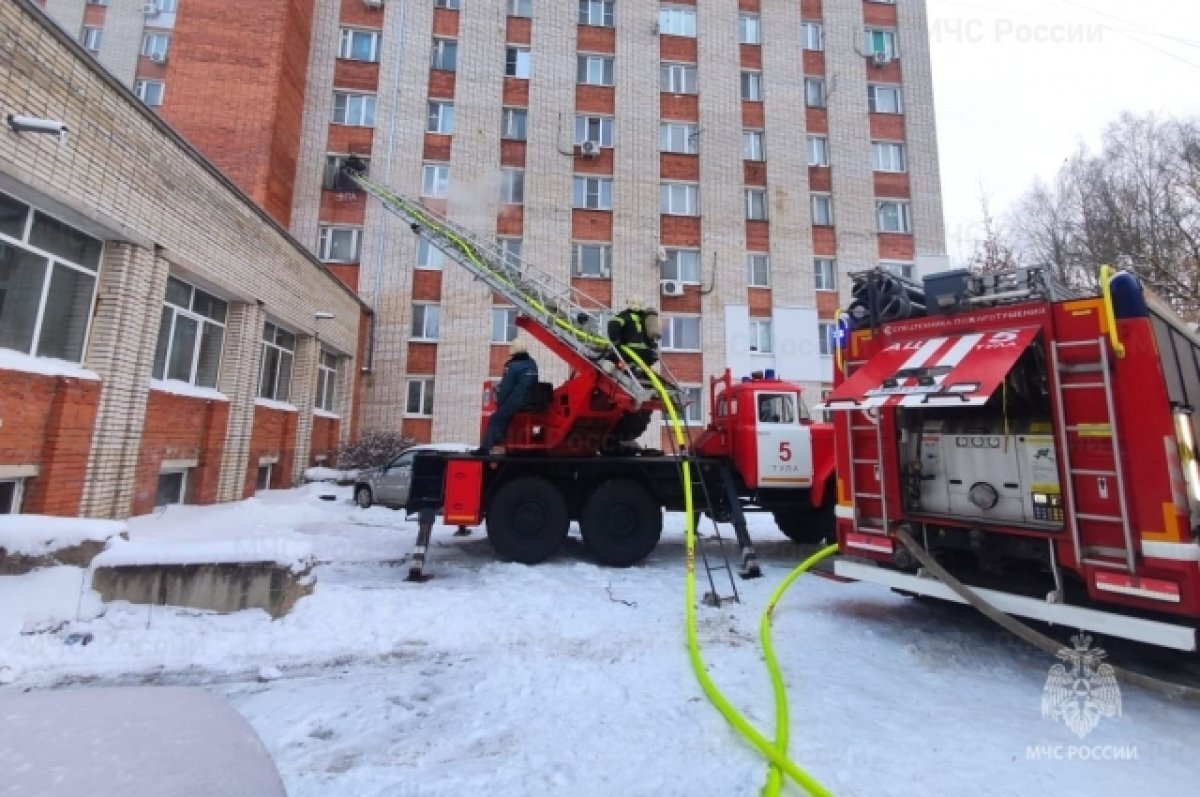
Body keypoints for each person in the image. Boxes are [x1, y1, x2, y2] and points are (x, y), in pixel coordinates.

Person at [476, 337, 538, 455]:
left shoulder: (512, 367)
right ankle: (500, 436)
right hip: (530, 400)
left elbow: (506, 388)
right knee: (506, 416)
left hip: (517, 401)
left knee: (496, 417)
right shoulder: (532, 363)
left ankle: (485, 448)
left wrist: (499, 403)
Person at [607, 296, 661, 369]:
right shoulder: (646, 318)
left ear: (628, 304)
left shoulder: (624, 316)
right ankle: (638, 369)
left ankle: (609, 372)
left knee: (608, 358)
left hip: (628, 351)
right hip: (647, 354)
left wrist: (615, 342)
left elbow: (613, 325)